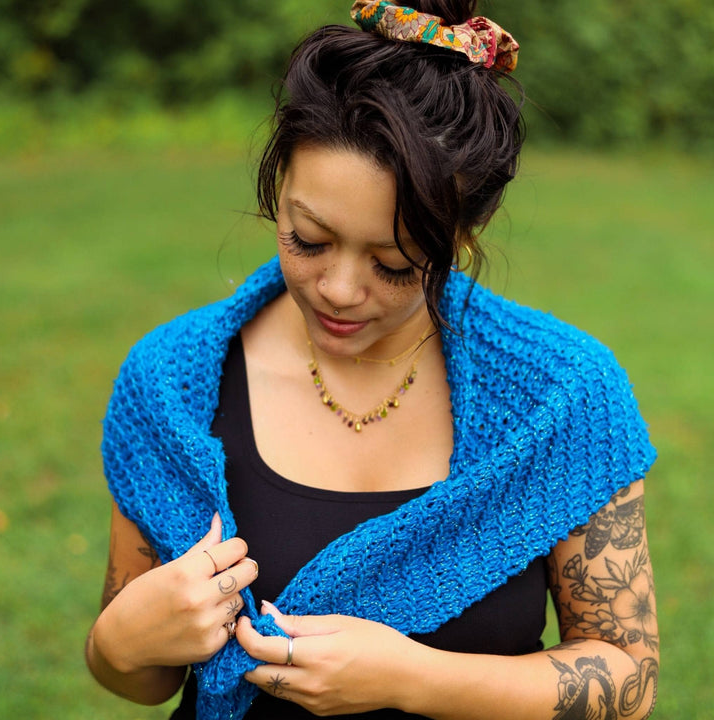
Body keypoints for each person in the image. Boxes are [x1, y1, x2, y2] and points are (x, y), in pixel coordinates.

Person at [85, 2, 660, 719]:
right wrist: (119, 642)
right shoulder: (170, 387)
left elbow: (628, 676)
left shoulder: (564, 397)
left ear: (461, 237)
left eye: (393, 264)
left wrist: (412, 679)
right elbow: (141, 677)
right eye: (308, 239)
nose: (339, 291)